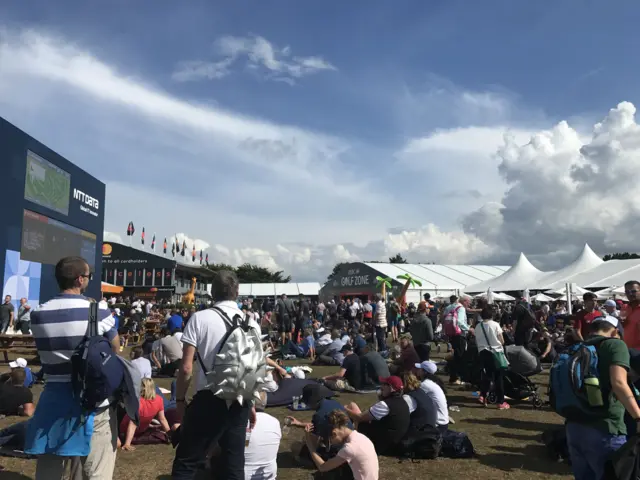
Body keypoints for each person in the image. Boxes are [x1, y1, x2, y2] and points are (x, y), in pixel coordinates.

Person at [25, 256, 120, 480]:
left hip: (53, 395)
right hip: (91, 397)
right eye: (88, 277)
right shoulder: (98, 312)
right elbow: (115, 349)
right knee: (97, 467)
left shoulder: (38, 314)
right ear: (80, 280)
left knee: (51, 460)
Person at [172, 270, 258, 479]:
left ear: (212, 292)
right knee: (234, 464)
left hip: (208, 397)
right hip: (240, 398)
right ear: (237, 292)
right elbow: (253, 368)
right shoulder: (251, 322)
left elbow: (186, 368)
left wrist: (181, 399)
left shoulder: (200, 319)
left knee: (187, 461)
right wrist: (252, 403)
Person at [565, 316, 640, 480]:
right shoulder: (615, 344)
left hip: (574, 427)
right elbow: (619, 383)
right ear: (615, 332)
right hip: (606, 428)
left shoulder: (577, 347)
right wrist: (638, 416)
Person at [344, 376, 411, 455]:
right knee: (352, 405)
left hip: (380, 444)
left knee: (355, 416)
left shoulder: (385, 405)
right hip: (393, 441)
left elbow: (359, 418)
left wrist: (343, 408)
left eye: (384, 384)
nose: (381, 387)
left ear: (391, 388)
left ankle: (347, 440)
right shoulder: (403, 402)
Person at [306, 409, 379, 480]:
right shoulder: (361, 437)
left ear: (334, 433)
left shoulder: (350, 448)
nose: (331, 443)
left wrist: (310, 445)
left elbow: (322, 467)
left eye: (329, 440)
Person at [118, 378, 171, 451]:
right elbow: (162, 419)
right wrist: (170, 434)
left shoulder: (137, 402)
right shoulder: (159, 399)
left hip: (126, 431)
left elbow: (133, 424)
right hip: (137, 430)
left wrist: (127, 443)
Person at [475, 308, 510, 410]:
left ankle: (483, 396)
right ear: (492, 315)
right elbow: (502, 340)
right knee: (498, 378)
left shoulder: (478, 326)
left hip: (482, 352)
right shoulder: (495, 324)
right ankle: (500, 402)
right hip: (495, 352)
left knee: (487, 376)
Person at [412, 361, 450, 432]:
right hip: (443, 421)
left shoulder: (425, 385)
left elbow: (412, 396)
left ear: (424, 372)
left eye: (419, 369)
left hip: (437, 424)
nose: (416, 370)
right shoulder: (432, 382)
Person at [443, 295, 471, 385]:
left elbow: (443, 318)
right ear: (465, 301)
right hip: (459, 334)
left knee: (453, 355)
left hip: (451, 334)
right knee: (460, 356)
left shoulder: (449, 307)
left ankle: (453, 375)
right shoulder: (461, 308)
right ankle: (457, 377)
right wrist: (468, 328)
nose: (469, 304)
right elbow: (459, 321)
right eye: (468, 302)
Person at [622, 280, 640, 350]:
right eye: (627, 292)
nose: (630, 294)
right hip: (626, 350)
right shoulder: (624, 307)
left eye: (633, 291)